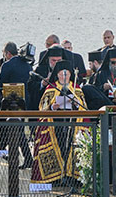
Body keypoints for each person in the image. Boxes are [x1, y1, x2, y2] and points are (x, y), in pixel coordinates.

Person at [32, 59, 87, 187]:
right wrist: (52, 107)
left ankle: (71, 177)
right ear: (56, 75)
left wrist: (75, 105)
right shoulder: (51, 89)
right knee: (59, 148)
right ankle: (56, 177)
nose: (64, 76)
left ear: (70, 74)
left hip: (72, 126)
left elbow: (83, 106)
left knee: (70, 149)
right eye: (61, 74)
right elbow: (43, 107)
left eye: (66, 74)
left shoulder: (76, 88)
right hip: (55, 127)